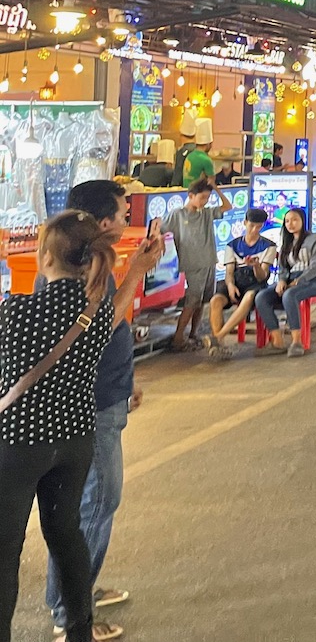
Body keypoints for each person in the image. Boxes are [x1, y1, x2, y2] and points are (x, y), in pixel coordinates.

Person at [2, 210, 163, 642]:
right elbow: (115, 311)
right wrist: (138, 270)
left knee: (5, 549)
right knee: (65, 533)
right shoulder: (91, 314)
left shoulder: (16, 311)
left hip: (20, 444)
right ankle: (78, 631)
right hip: (74, 440)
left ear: (46, 257)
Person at [38, 183, 146, 641]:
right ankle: (69, 609)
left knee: (92, 503)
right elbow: (101, 326)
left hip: (105, 394)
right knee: (97, 502)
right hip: (90, 404)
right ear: (102, 224)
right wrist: (140, 269)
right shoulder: (79, 272)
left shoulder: (92, 264)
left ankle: (75, 591)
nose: (125, 221)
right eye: (122, 214)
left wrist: (127, 380)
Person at [159, 178, 230, 352]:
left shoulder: (206, 213)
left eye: (207, 198)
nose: (205, 202)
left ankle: (193, 333)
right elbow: (161, 233)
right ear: (190, 196)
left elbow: (227, 206)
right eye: (202, 198)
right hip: (192, 264)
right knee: (191, 301)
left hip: (209, 262)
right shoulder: (177, 215)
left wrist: (216, 187)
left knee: (202, 301)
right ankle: (178, 337)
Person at [254, 208, 316, 357]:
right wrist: (281, 280)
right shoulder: (286, 242)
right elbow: (283, 267)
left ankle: (296, 342)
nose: (290, 224)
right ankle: (278, 340)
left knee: (289, 295)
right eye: (287, 221)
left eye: (294, 220)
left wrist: (300, 280)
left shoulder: (315, 239)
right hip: (289, 279)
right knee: (261, 297)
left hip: (310, 281)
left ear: (302, 221)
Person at [206, 206, 276, 359]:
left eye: (258, 227)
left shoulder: (269, 246)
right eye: (251, 226)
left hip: (255, 283)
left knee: (249, 297)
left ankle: (217, 337)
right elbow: (229, 272)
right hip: (236, 280)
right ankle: (221, 345)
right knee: (215, 300)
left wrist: (256, 265)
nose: (254, 230)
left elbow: (262, 277)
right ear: (245, 223)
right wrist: (230, 286)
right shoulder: (233, 245)